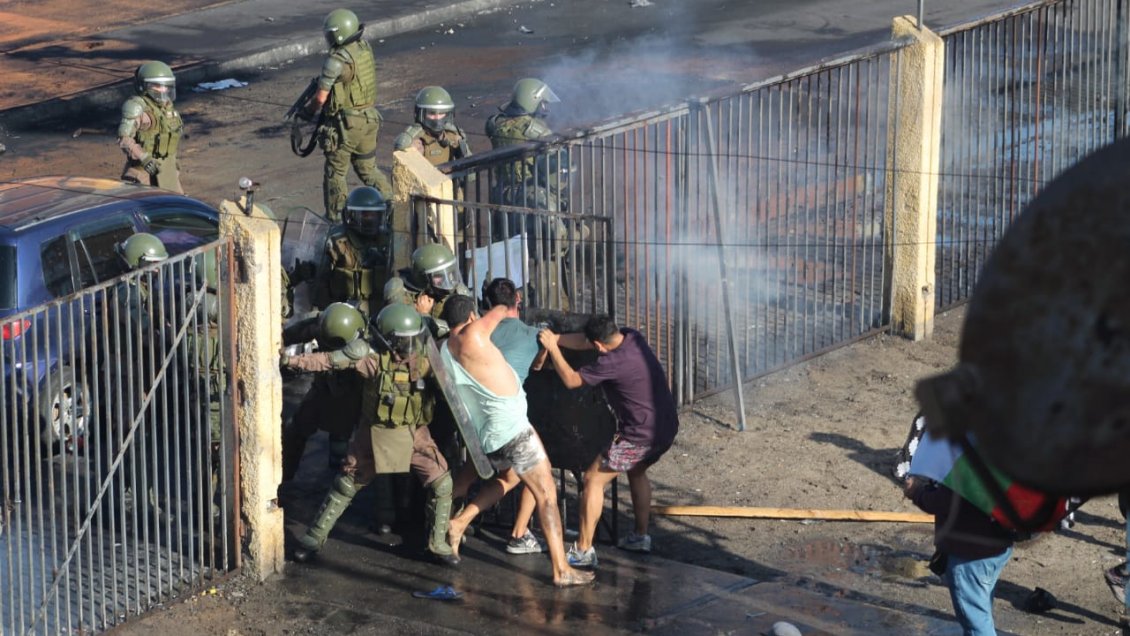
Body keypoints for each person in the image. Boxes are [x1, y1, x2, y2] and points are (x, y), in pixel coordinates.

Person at [285, 303, 459, 566]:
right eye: (403, 341)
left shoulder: (425, 354)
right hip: (374, 435)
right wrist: (293, 361)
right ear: (389, 340)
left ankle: (437, 544)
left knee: (442, 483)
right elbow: (329, 360)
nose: (409, 346)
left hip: (415, 434)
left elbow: (454, 331)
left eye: (413, 340)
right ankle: (313, 539)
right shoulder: (370, 358)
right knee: (346, 484)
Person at [438, 295, 593, 587]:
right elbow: (499, 311)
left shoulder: (445, 348)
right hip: (513, 431)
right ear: (472, 316)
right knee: (546, 494)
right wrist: (509, 302)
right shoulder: (473, 335)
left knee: (509, 478)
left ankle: (457, 524)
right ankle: (562, 570)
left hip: (489, 434)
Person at [537, 314, 679, 567]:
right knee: (637, 471)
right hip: (664, 427)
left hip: (639, 436)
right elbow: (585, 341)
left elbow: (571, 381)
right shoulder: (632, 336)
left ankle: (583, 550)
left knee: (593, 479)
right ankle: (640, 536)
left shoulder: (611, 363)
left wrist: (552, 349)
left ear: (600, 346)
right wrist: (557, 338)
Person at [477, 277, 549, 555]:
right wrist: (546, 347)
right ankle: (519, 533)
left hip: (476, 419)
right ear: (517, 299)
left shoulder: (478, 334)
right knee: (537, 471)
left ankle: (451, 520)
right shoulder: (531, 334)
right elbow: (539, 364)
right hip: (507, 419)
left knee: (505, 476)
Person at [301, 8, 391, 222]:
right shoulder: (363, 48)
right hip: (370, 119)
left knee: (335, 173)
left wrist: (307, 112)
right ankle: (393, 204)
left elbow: (320, 98)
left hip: (347, 125)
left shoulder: (336, 60)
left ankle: (335, 219)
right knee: (367, 168)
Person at [904, 476, 1014, 636]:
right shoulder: (999, 452)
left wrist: (916, 491)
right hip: (997, 546)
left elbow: (941, 501)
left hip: (969, 556)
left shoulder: (965, 460)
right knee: (980, 609)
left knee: (976, 624)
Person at [280, 302, 367, 480]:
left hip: (351, 396)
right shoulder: (322, 324)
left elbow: (330, 360)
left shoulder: (364, 343)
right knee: (295, 432)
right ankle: (282, 478)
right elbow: (289, 335)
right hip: (322, 390)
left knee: (343, 445)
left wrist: (293, 361)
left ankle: (340, 479)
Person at [308, 185, 393, 318]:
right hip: (345, 311)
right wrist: (326, 313)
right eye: (365, 215)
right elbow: (320, 281)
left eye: (375, 215)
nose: (370, 220)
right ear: (350, 215)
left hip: (383, 311)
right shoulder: (337, 243)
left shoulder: (389, 241)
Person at [118, 61, 184, 193]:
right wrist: (144, 158)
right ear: (145, 86)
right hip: (144, 173)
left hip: (167, 172)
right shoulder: (137, 108)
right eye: (158, 87)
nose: (163, 90)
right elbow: (124, 139)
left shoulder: (167, 109)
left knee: (177, 205)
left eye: (166, 86)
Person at [393, 86, 472, 166]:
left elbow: (470, 169)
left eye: (441, 114)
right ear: (421, 115)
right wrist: (411, 137)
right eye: (432, 114)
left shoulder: (453, 136)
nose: (437, 118)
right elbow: (400, 147)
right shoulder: (416, 142)